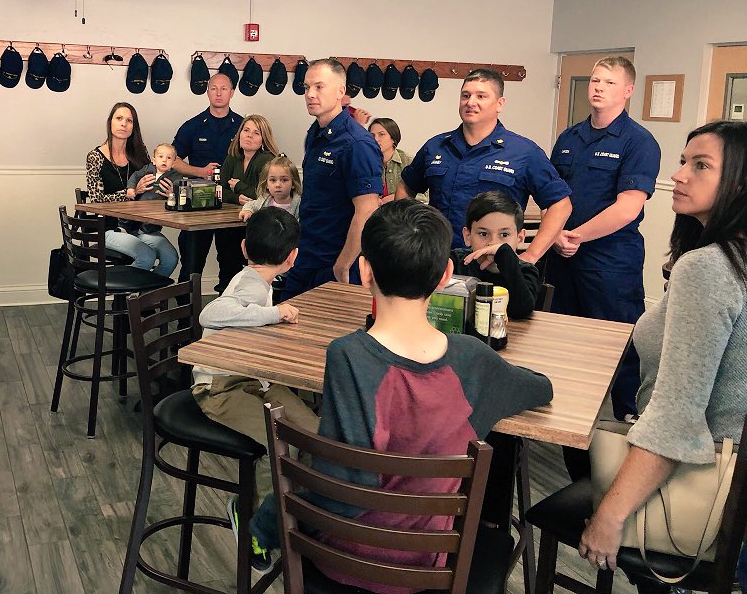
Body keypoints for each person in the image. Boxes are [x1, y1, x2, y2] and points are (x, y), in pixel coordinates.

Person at [249, 200, 554, 585]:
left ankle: (256, 533)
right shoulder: (475, 359)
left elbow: (339, 486)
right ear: (445, 275)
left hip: (340, 561)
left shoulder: (347, 355)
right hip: (428, 567)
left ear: (365, 271)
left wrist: (268, 523)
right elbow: (541, 388)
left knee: (304, 481)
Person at [579, 120, 747, 586]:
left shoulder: (709, 268)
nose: (678, 175)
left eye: (701, 166)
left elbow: (676, 415)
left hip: (701, 491)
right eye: (682, 161)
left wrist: (610, 515)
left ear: (739, 183)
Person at [191, 207, 320, 568]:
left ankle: (290, 513)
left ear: (244, 247)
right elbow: (210, 314)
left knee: (317, 436)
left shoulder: (259, 280)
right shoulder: (249, 282)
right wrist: (274, 313)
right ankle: (255, 524)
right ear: (293, 257)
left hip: (253, 381)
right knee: (279, 444)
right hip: (219, 389)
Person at [546, 57, 661, 421]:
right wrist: (554, 235)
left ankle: (626, 412)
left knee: (617, 335)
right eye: (595, 80)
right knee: (560, 330)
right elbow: (552, 196)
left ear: (627, 91)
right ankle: (563, 405)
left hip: (610, 258)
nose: (598, 87)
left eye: (609, 83)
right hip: (562, 254)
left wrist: (575, 236)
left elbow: (627, 208)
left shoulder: (638, 142)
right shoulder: (569, 138)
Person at [397, 68, 572, 262]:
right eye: (465, 96)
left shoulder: (523, 152)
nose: (471, 102)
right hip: (437, 260)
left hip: (493, 265)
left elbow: (560, 204)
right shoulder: (436, 147)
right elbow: (406, 186)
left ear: (499, 104)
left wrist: (531, 255)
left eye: (481, 96)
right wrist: (406, 237)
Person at [280, 59, 383, 301]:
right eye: (307, 87)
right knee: (285, 315)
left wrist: (343, 264)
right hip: (308, 252)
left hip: (336, 259)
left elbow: (367, 210)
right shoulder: (315, 133)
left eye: (319, 87)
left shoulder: (357, 143)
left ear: (340, 91)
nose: (310, 94)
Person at [85, 103, 176, 275]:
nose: (124, 124)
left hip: (140, 227)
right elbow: (96, 200)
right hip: (109, 228)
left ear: (134, 126)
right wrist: (130, 192)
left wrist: (170, 192)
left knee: (171, 258)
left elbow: (154, 187)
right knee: (147, 256)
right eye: (119, 118)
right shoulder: (95, 157)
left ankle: (145, 291)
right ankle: (123, 292)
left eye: (129, 120)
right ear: (110, 122)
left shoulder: (140, 153)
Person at [172, 73, 243, 290]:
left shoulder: (242, 127)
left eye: (224, 89)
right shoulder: (193, 126)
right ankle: (185, 309)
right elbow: (172, 160)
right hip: (198, 203)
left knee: (231, 265)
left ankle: (226, 308)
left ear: (232, 93)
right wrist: (200, 172)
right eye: (214, 88)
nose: (218, 93)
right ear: (207, 92)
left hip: (230, 204)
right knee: (191, 265)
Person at [451, 190, 541, 320]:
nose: (493, 243)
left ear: (520, 238)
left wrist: (504, 254)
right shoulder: (455, 262)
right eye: (483, 234)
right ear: (467, 236)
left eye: (504, 235)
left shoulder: (526, 271)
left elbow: (521, 311)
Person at [122, 142, 180, 277]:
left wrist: (174, 193)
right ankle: (123, 228)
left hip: (154, 217)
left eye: (169, 158)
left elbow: (180, 189)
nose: (164, 160)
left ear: (173, 162)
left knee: (170, 257)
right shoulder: (147, 169)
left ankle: (150, 287)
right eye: (161, 157)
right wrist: (131, 189)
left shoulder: (175, 176)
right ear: (154, 160)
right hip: (138, 209)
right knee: (127, 216)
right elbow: (135, 176)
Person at [239, 155, 302, 221]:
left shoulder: (299, 204)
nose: (278, 185)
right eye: (273, 180)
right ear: (267, 184)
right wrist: (247, 211)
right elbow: (251, 204)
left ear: (293, 183)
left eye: (284, 180)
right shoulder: (264, 200)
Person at [368, 117, 411, 202]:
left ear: (393, 138)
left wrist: (398, 197)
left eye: (381, 134)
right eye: (372, 136)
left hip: (403, 209)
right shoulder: (365, 162)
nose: (375, 139)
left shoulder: (408, 161)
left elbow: (424, 196)